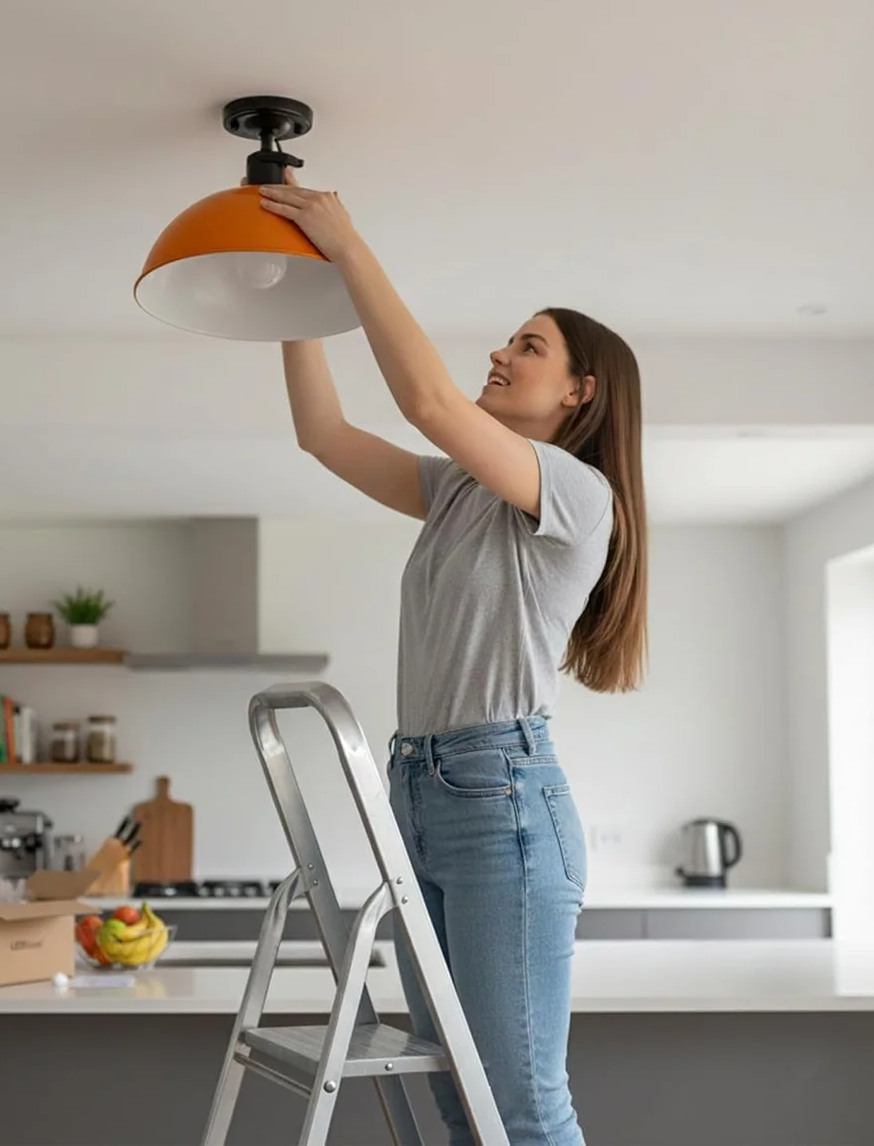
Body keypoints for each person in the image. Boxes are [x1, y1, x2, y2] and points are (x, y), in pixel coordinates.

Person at [260, 170, 648, 1146]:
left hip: (502, 802)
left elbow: (428, 400)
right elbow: (322, 435)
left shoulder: (572, 491)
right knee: (456, 1094)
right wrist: (299, 292)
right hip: (421, 794)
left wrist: (346, 247)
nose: (501, 351)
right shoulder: (461, 494)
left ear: (579, 391)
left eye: (529, 345)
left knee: (522, 1110)